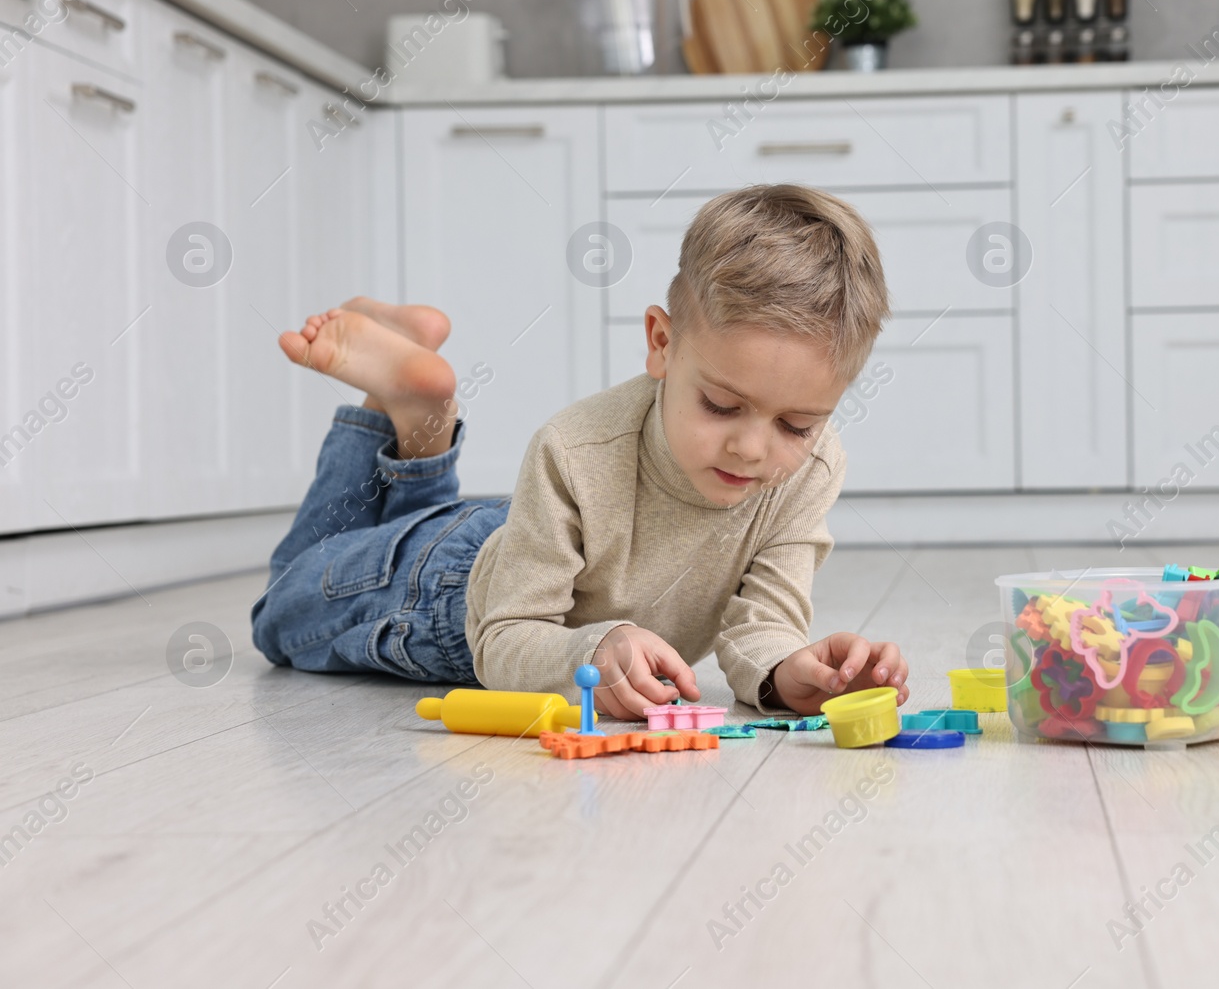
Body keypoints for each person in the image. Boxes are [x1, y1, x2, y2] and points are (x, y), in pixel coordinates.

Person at [251, 185, 909, 719]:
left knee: (390, 531)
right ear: (661, 342)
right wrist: (593, 653)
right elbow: (504, 638)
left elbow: (763, 620)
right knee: (281, 604)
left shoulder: (811, 470)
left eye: (796, 424)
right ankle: (396, 405)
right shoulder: (574, 449)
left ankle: (410, 397)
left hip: (537, 545)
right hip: (445, 593)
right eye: (720, 405)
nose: (752, 447)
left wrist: (790, 670)